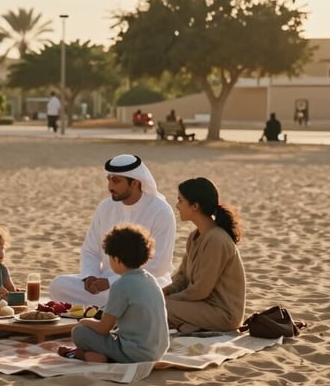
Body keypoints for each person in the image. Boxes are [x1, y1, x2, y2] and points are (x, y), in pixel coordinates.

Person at [48, 154, 176, 306]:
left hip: (144, 284)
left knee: (135, 296)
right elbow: (90, 250)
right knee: (59, 285)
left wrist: (110, 282)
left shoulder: (160, 211)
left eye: (116, 181)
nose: (110, 187)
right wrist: (90, 276)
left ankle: (107, 308)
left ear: (135, 183)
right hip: (104, 285)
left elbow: (157, 266)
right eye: (109, 179)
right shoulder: (105, 207)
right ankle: (108, 308)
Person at [58, 224, 169, 363]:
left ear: (116, 259)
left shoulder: (121, 285)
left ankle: (99, 357)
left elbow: (104, 328)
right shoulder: (150, 279)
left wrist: (85, 321)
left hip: (135, 352)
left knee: (80, 332)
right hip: (157, 351)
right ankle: (103, 356)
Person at [164, 177, 246, 334]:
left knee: (157, 308)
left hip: (223, 314)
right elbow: (182, 278)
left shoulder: (216, 239)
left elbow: (200, 290)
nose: (177, 206)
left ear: (195, 206)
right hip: (201, 305)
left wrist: (166, 301)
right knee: (153, 304)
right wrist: (164, 292)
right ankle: (191, 326)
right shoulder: (194, 236)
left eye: (180, 201)